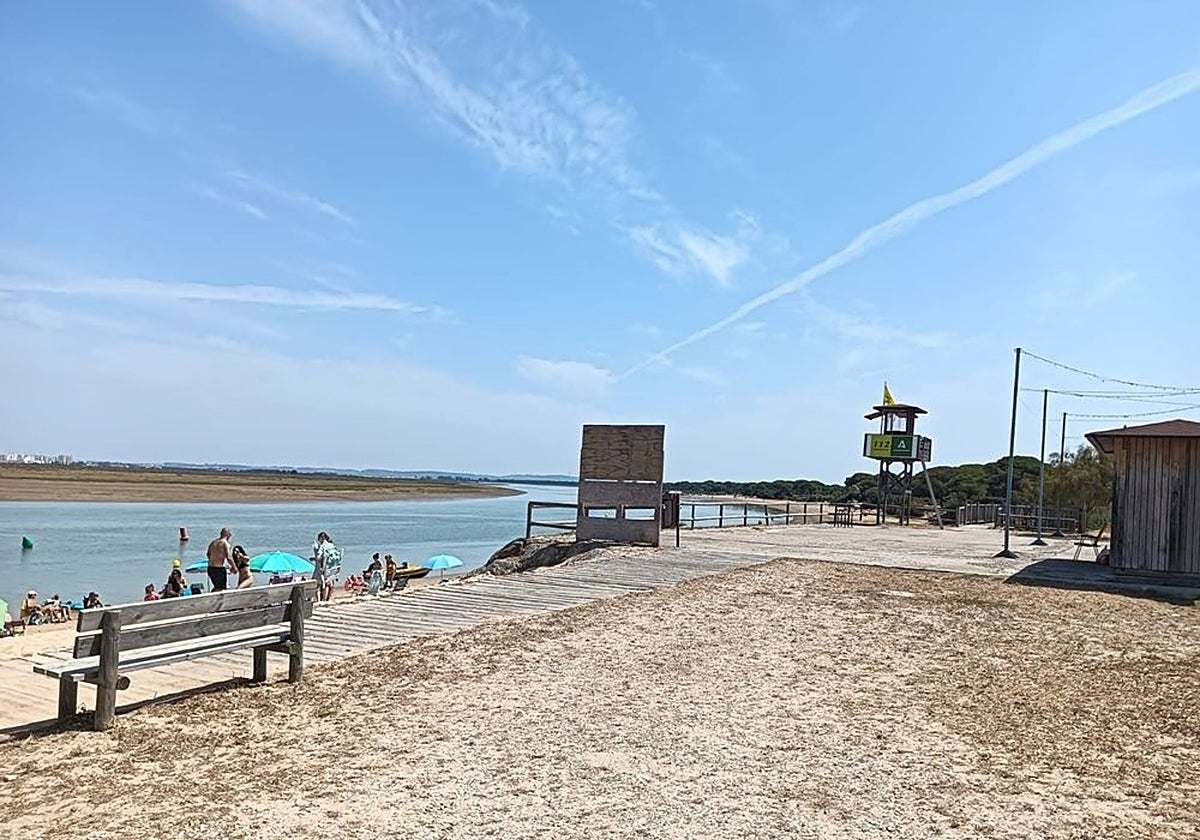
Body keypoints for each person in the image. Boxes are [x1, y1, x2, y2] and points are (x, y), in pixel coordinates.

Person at [206, 527, 236, 592]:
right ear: (227, 534)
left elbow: (208, 554)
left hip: (210, 568)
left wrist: (215, 559)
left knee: (217, 587)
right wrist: (234, 567)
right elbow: (229, 557)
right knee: (221, 589)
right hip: (219, 569)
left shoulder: (213, 543)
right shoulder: (225, 543)